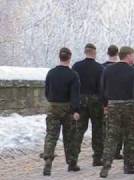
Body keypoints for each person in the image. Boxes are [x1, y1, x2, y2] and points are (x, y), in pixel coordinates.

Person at [99, 46, 134, 178]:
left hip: (112, 105)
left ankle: (106, 165)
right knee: (130, 136)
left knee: (111, 136)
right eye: (133, 55)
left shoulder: (108, 70)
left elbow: (102, 89)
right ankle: (129, 166)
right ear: (128, 55)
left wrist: (104, 104)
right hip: (129, 106)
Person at [43, 47, 80, 176]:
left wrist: (52, 101)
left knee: (51, 135)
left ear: (59, 57)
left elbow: (46, 91)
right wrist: (76, 110)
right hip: (67, 108)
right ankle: (71, 163)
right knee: (69, 136)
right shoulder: (73, 75)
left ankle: (47, 161)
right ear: (69, 58)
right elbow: (75, 95)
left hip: (53, 106)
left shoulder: (51, 73)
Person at [71, 43, 105, 167]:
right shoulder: (100, 68)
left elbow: (73, 86)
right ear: (94, 53)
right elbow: (102, 88)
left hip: (80, 101)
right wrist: (104, 103)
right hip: (96, 101)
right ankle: (97, 158)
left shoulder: (76, 66)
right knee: (98, 130)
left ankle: (73, 160)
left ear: (85, 52)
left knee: (78, 130)